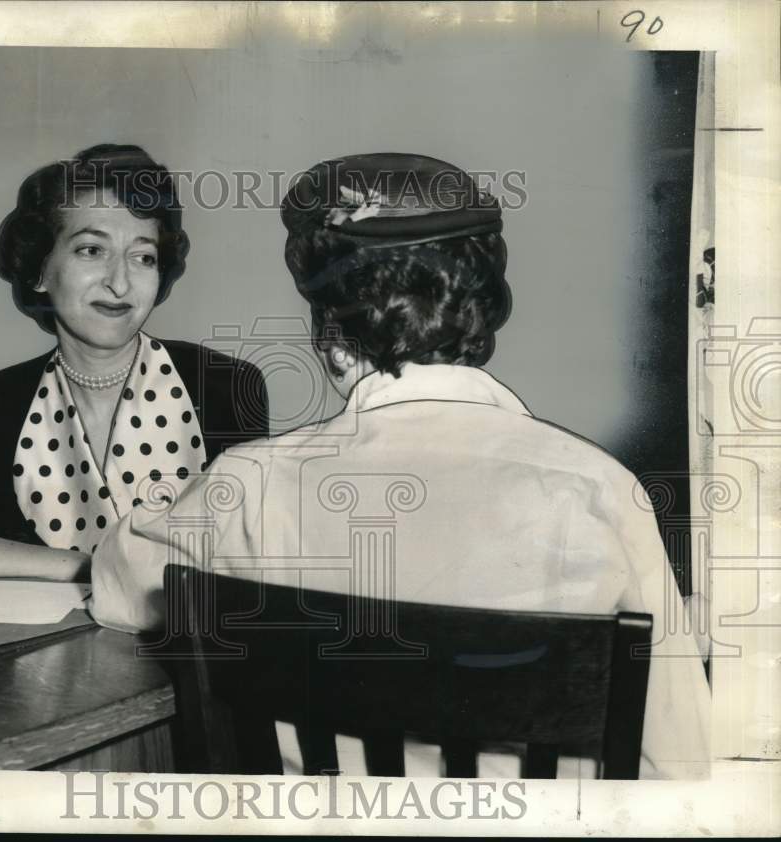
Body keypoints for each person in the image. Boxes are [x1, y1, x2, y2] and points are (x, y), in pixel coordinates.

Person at [88, 152, 710, 779]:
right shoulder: (600, 488)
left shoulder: (248, 483)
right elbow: (680, 758)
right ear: (481, 316)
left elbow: (117, 588)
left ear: (330, 342)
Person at [0, 144, 268, 580]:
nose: (119, 283)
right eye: (91, 251)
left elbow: (248, 559)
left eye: (143, 257)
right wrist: (85, 569)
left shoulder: (224, 386)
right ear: (40, 270)